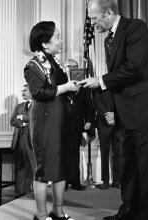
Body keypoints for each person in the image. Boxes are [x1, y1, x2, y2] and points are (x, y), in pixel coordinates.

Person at [78, 1, 148, 219]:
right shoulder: (109, 37)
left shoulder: (136, 27)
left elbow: (134, 67)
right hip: (124, 112)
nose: (92, 22)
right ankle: (127, 213)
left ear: (109, 13)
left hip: (144, 110)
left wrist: (100, 81)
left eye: (95, 17)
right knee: (127, 168)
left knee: (146, 170)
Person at [24, 21, 79, 220]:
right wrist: (65, 88)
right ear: (45, 44)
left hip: (60, 119)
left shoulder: (54, 61)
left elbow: (60, 86)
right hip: (45, 122)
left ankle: (58, 211)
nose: (61, 40)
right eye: (57, 36)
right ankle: (40, 214)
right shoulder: (33, 65)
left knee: (60, 166)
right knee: (44, 169)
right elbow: (38, 92)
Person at [64, 59, 95, 191]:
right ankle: (63, 183)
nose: (73, 69)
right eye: (70, 67)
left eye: (76, 67)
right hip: (62, 124)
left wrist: (89, 120)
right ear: (65, 68)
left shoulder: (83, 85)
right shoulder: (61, 82)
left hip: (76, 124)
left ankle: (76, 182)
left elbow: (89, 104)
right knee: (63, 154)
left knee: (75, 154)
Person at [93, 89, 121, 189]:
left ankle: (117, 180)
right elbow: (96, 100)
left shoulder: (116, 83)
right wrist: (106, 114)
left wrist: (115, 115)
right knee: (104, 152)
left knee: (118, 152)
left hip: (117, 122)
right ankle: (105, 181)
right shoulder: (98, 84)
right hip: (103, 122)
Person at [10, 84, 35, 198]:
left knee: (33, 166)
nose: (23, 93)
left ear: (31, 91)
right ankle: (19, 193)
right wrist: (23, 122)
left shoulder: (38, 105)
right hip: (20, 140)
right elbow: (12, 120)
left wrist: (22, 117)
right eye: (22, 91)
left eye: (25, 90)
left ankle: (35, 193)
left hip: (32, 140)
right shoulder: (19, 106)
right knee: (20, 167)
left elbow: (33, 118)